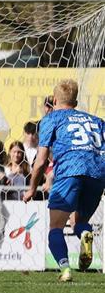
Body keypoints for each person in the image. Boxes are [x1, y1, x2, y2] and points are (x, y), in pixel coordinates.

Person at [24, 79, 105, 281]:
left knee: (56, 227)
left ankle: (65, 269)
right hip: (97, 174)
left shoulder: (51, 119)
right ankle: (85, 234)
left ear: (54, 100)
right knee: (79, 222)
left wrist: (32, 188)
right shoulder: (97, 121)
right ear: (75, 102)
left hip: (70, 170)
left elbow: (41, 160)